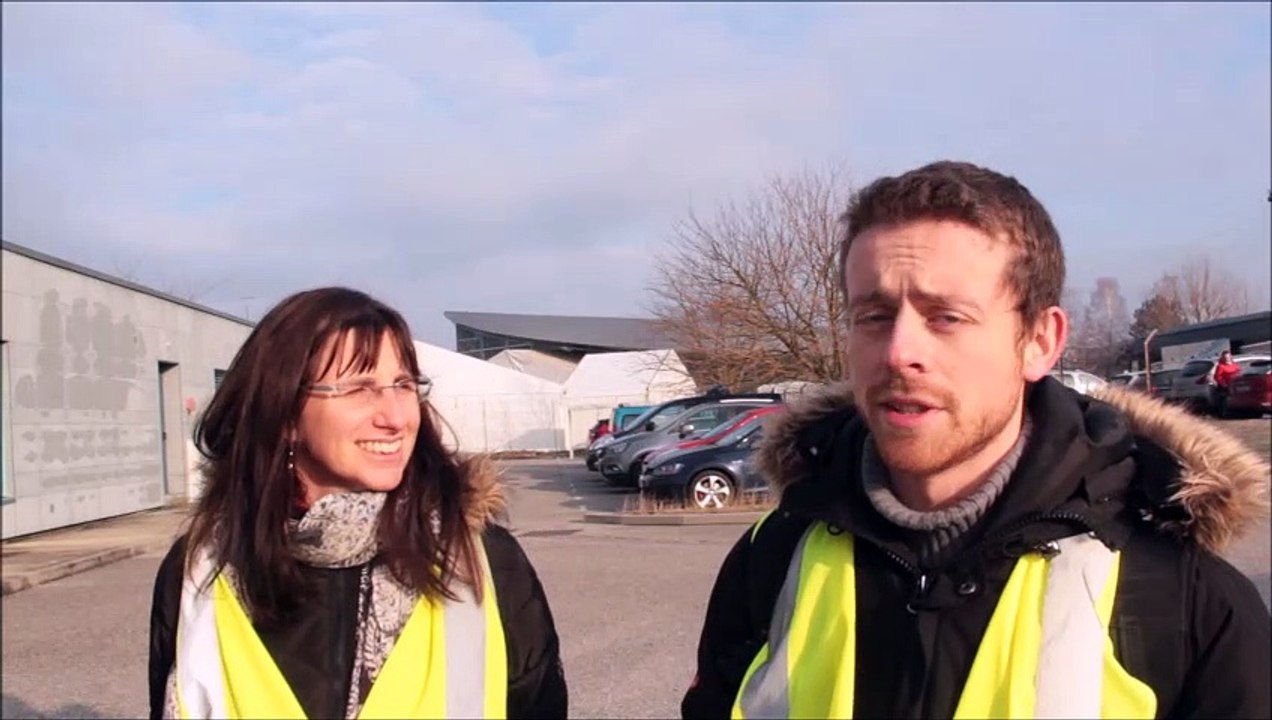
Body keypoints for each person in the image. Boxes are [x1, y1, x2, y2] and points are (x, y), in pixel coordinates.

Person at [682, 161, 1271, 719]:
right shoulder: (773, 555)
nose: (900, 353)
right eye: (875, 316)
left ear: (1041, 340)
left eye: (946, 317)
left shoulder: (1181, 596)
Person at [148, 287, 567, 720]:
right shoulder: (200, 571)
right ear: (286, 414)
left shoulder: (484, 562)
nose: (396, 418)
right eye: (360, 389)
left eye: (403, 385)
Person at [1213, 350, 1241, 417]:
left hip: (1235, 385)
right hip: (1224, 386)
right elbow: (1217, 377)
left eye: (1228, 356)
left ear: (1230, 356)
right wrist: (1224, 384)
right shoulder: (1221, 366)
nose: (1227, 358)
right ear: (1222, 357)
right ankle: (1223, 414)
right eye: (1225, 357)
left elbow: (1239, 372)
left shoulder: (1235, 365)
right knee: (1224, 401)